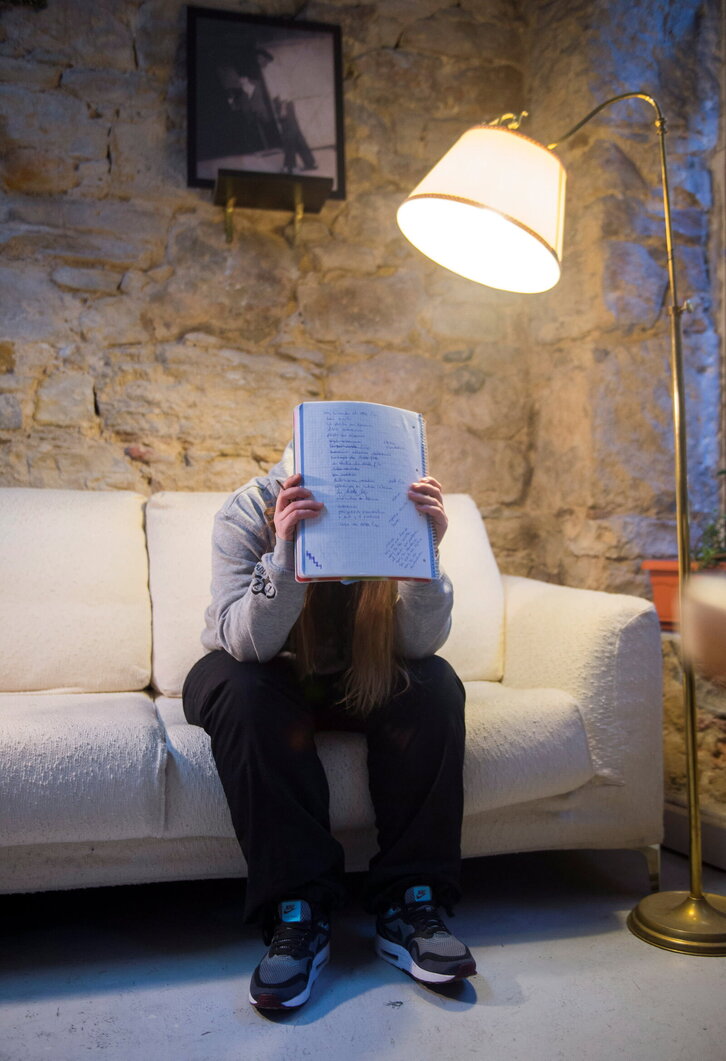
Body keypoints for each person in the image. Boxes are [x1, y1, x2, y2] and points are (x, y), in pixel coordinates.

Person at [182, 441, 475, 1010]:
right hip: (258, 668)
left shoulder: (394, 506)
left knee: (435, 683)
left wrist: (425, 557)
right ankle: (297, 912)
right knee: (245, 692)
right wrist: (286, 551)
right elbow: (247, 644)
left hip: (352, 677)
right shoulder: (249, 509)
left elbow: (419, 646)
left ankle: (412, 902)